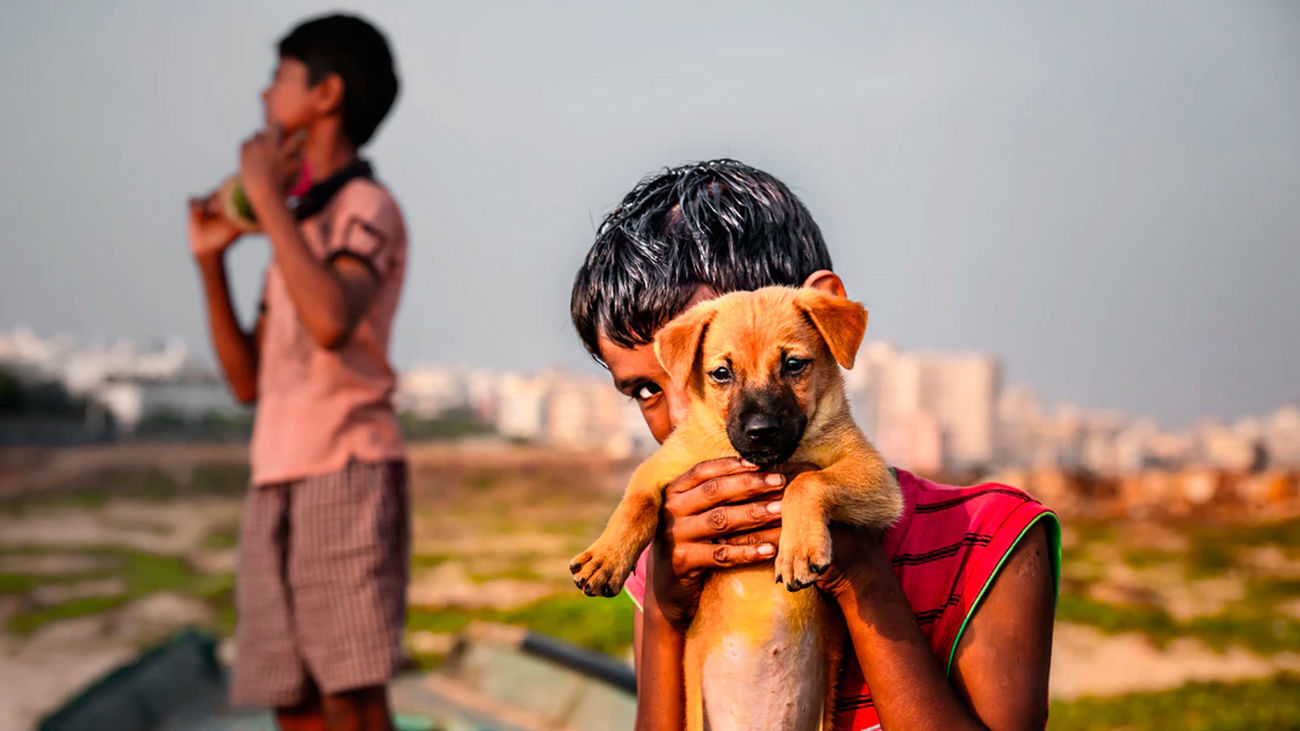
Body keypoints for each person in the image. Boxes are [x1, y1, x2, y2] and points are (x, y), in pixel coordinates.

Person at [570, 159, 1060, 730]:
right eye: (648, 389)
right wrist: (664, 608)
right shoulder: (663, 556)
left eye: (791, 366)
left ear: (823, 315)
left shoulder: (988, 542)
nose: (687, 411)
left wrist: (857, 571)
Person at [187, 14, 407, 731]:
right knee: (294, 694)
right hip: (274, 475)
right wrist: (212, 260)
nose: (263, 94)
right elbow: (247, 381)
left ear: (326, 94)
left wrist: (269, 203)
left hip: (345, 468)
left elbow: (332, 319)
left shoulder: (362, 208)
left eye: (279, 77)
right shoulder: (299, 231)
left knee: (350, 691)